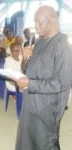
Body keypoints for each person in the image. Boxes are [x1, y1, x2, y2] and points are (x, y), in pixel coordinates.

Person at [15, 6, 72, 150]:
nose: (36, 26)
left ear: (52, 20)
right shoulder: (39, 41)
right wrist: (25, 59)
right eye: (35, 22)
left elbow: (62, 83)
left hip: (46, 109)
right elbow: (28, 70)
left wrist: (31, 84)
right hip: (30, 103)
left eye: (40, 23)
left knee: (45, 144)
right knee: (27, 142)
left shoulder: (62, 46)